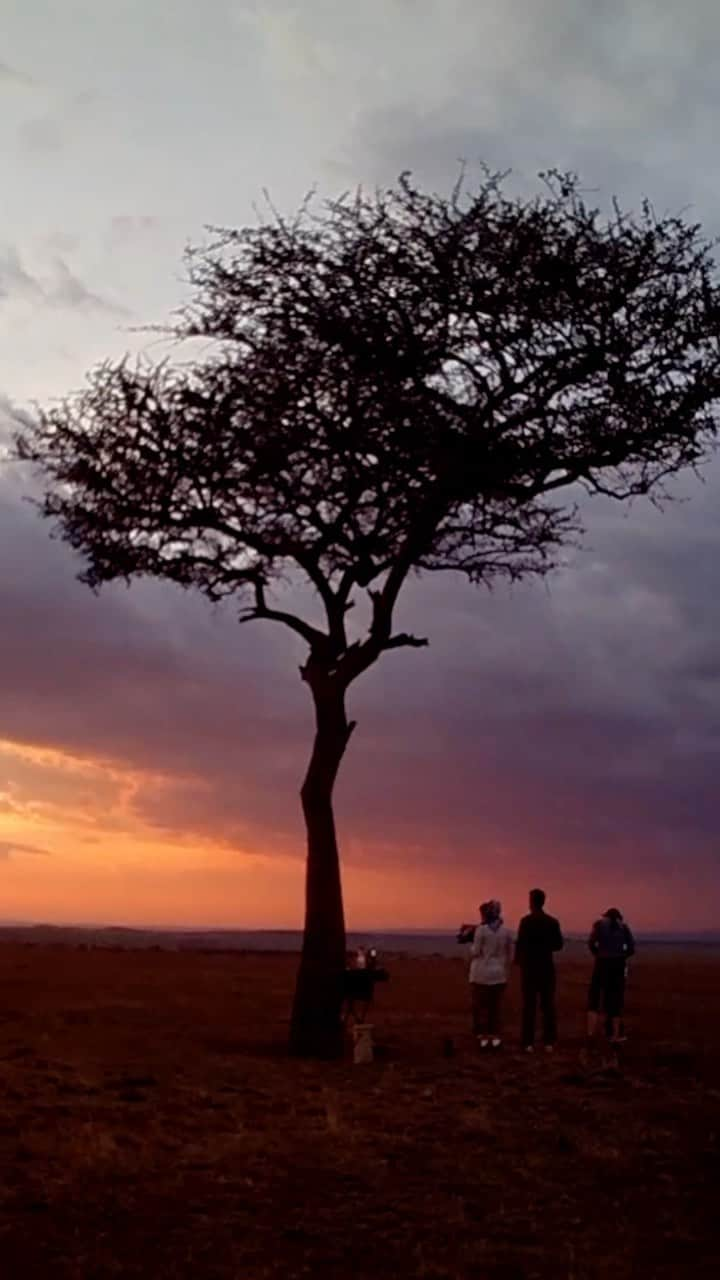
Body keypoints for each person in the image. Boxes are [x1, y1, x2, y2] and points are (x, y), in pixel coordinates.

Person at [514, 888, 564, 1052]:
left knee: (529, 1006)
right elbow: (558, 945)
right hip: (546, 967)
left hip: (529, 968)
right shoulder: (552, 922)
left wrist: (519, 961)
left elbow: (520, 944)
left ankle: (528, 1042)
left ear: (531, 902)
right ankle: (549, 1042)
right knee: (548, 1006)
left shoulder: (525, 921)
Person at [587, 908, 635, 1045]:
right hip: (618, 966)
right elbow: (631, 948)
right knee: (615, 1001)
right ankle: (615, 1035)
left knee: (594, 999)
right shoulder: (624, 928)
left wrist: (599, 954)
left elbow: (591, 943)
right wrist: (621, 956)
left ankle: (591, 1034)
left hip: (601, 965)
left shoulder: (599, 925)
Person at [469, 900, 513, 1049]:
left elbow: (475, 952)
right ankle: (495, 1038)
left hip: (481, 974)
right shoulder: (506, 932)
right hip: (499, 974)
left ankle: (482, 1038)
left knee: (481, 1007)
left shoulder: (481, 931)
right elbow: (509, 955)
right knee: (495, 1008)